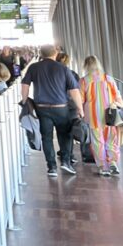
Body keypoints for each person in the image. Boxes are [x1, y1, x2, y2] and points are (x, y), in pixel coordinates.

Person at [21, 44, 83, 178]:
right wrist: (80, 108)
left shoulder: (34, 67)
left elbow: (25, 85)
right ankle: (66, 161)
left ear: (41, 54)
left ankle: (52, 167)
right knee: (65, 134)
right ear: (55, 54)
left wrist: (25, 101)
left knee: (46, 137)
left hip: (41, 108)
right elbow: (74, 91)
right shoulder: (63, 69)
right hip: (61, 108)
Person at [79, 56, 122, 177]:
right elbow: (117, 96)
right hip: (110, 114)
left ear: (86, 66)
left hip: (93, 115)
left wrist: (81, 113)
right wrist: (120, 108)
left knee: (97, 141)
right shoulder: (108, 78)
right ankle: (113, 162)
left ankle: (102, 167)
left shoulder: (84, 81)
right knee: (111, 138)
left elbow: (81, 99)